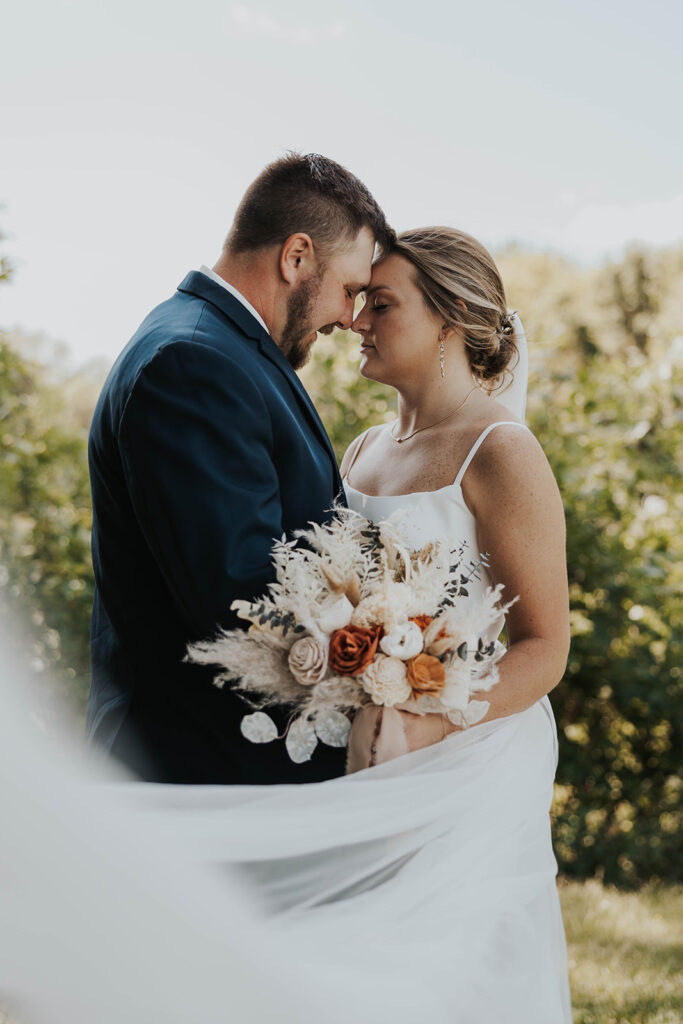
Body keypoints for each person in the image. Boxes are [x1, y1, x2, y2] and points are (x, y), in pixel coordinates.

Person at [85, 153, 393, 785]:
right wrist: (397, 642)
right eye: (350, 289)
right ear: (297, 256)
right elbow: (239, 597)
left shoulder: (220, 348)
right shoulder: (194, 364)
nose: (350, 318)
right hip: (199, 775)